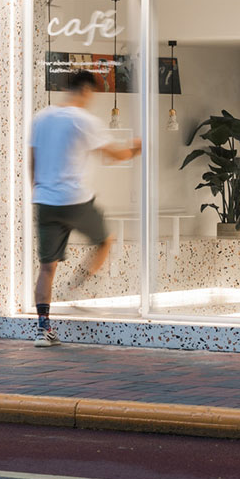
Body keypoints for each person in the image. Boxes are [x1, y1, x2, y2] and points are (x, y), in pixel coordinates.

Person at [30, 70, 140, 347]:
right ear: (87, 91)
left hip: (44, 200)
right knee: (105, 241)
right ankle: (80, 284)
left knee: (46, 268)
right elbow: (115, 155)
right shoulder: (84, 120)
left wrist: (40, 190)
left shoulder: (41, 117)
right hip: (76, 200)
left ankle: (44, 330)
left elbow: (32, 161)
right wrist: (137, 148)